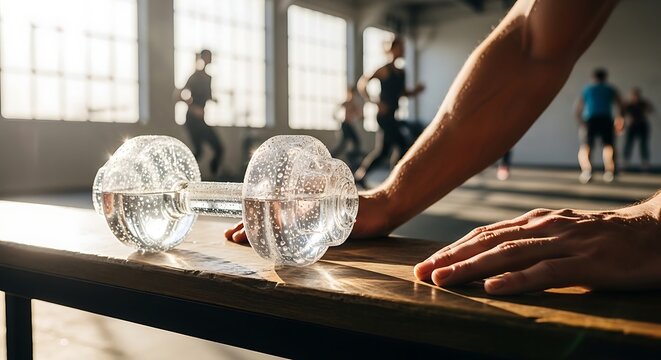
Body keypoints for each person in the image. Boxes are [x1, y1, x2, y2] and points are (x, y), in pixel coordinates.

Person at [227, 0, 661, 295]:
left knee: (384, 146)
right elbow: (532, 47)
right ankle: (368, 178)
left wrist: (653, 220)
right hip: (386, 116)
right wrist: (392, 200)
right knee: (384, 148)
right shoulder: (386, 67)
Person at [354, 37, 425, 187]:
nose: (403, 51)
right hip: (383, 116)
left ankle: (360, 176)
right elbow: (362, 84)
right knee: (402, 144)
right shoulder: (384, 70)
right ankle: (397, 180)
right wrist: (374, 102)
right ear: (392, 49)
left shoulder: (402, 72)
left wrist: (415, 92)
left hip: (393, 115)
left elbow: (402, 93)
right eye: (400, 47)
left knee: (383, 152)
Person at [178, 49, 224, 178]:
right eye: (208, 56)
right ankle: (180, 174)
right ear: (202, 58)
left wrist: (213, 99)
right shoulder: (194, 76)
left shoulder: (208, 77)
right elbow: (178, 95)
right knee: (200, 151)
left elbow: (206, 95)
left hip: (201, 120)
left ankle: (214, 178)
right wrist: (193, 107)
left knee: (218, 149)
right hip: (192, 119)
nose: (210, 59)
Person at [575, 68, 623, 184]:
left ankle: (587, 172)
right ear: (605, 78)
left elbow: (578, 108)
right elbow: (620, 105)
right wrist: (620, 121)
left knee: (586, 146)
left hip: (591, 120)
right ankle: (609, 172)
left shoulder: (588, 89)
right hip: (604, 120)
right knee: (608, 146)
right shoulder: (610, 89)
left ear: (593, 78)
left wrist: (580, 122)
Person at [331, 87, 364, 170]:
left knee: (346, 144)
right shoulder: (347, 103)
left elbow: (359, 115)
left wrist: (359, 116)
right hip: (346, 125)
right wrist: (337, 118)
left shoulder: (354, 104)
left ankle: (350, 158)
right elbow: (335, 111)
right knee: (352, 143)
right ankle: (333, 156)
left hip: (349, 125)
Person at [622, 87, 655, 171]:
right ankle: (625, 162)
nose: (635, 97)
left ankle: (645, 163)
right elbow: (622, 115)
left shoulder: (643, 103)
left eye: (636, 95)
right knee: (628, 144)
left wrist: (647, 107)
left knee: (643, 145)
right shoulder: (627, 104)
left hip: (642, 125)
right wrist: (626, 120)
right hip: (631, 127)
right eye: (633, 95)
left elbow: (651, 110)